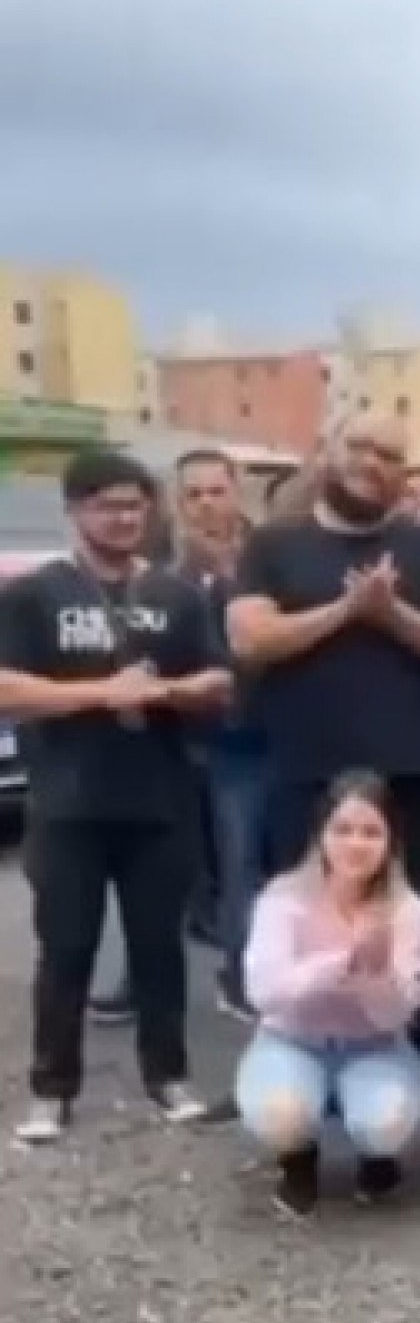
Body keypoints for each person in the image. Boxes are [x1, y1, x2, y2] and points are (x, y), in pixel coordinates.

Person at [227, 414, 420, 1061]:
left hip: (419, 773)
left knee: (419, 928)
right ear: (327, 453)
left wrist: (394, 615)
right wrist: (345, 610)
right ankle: (306, 1065)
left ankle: (418, 1069)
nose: (373, 462)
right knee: (306, 925)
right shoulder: (274, 545)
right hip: (310, 773)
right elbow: (251, 638)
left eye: (390, 454)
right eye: (359, 447)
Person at [1, 449, 230, 1142]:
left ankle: (169, 1077)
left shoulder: (175, 596)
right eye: (108, 506)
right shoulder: (36, 596)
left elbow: (219, 683)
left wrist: (166, 691)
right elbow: (8, 689)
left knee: (159, 948)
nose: (125, 518)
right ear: (76, 512)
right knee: (65, 948)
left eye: (135, 505)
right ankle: (51, 1089)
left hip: (159, 800)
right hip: (68, 802)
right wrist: (103, 693)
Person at [235, 772, 420, 1215]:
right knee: (283, 1115)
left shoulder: (408, 909)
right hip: (293, 1039)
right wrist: (339, 964)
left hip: (375, 1045)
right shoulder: (283, 898)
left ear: (390, 842)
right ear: (321, 835)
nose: (355, 844)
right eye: (342, 830)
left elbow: (399, 1012)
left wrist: (373, 975)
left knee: (387, 1125)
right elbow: (264, 993)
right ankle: (298, 1159)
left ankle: (377, 1156)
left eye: (370, 832)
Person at [173, 446, 266, 1020]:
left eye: (217, 491)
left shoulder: (269, 555)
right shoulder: (170, 573)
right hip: (218, 741)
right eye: (194, 494)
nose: (208, 505)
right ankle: (241, 977)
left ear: (238, 491)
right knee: (238, 864)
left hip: (283, 729)